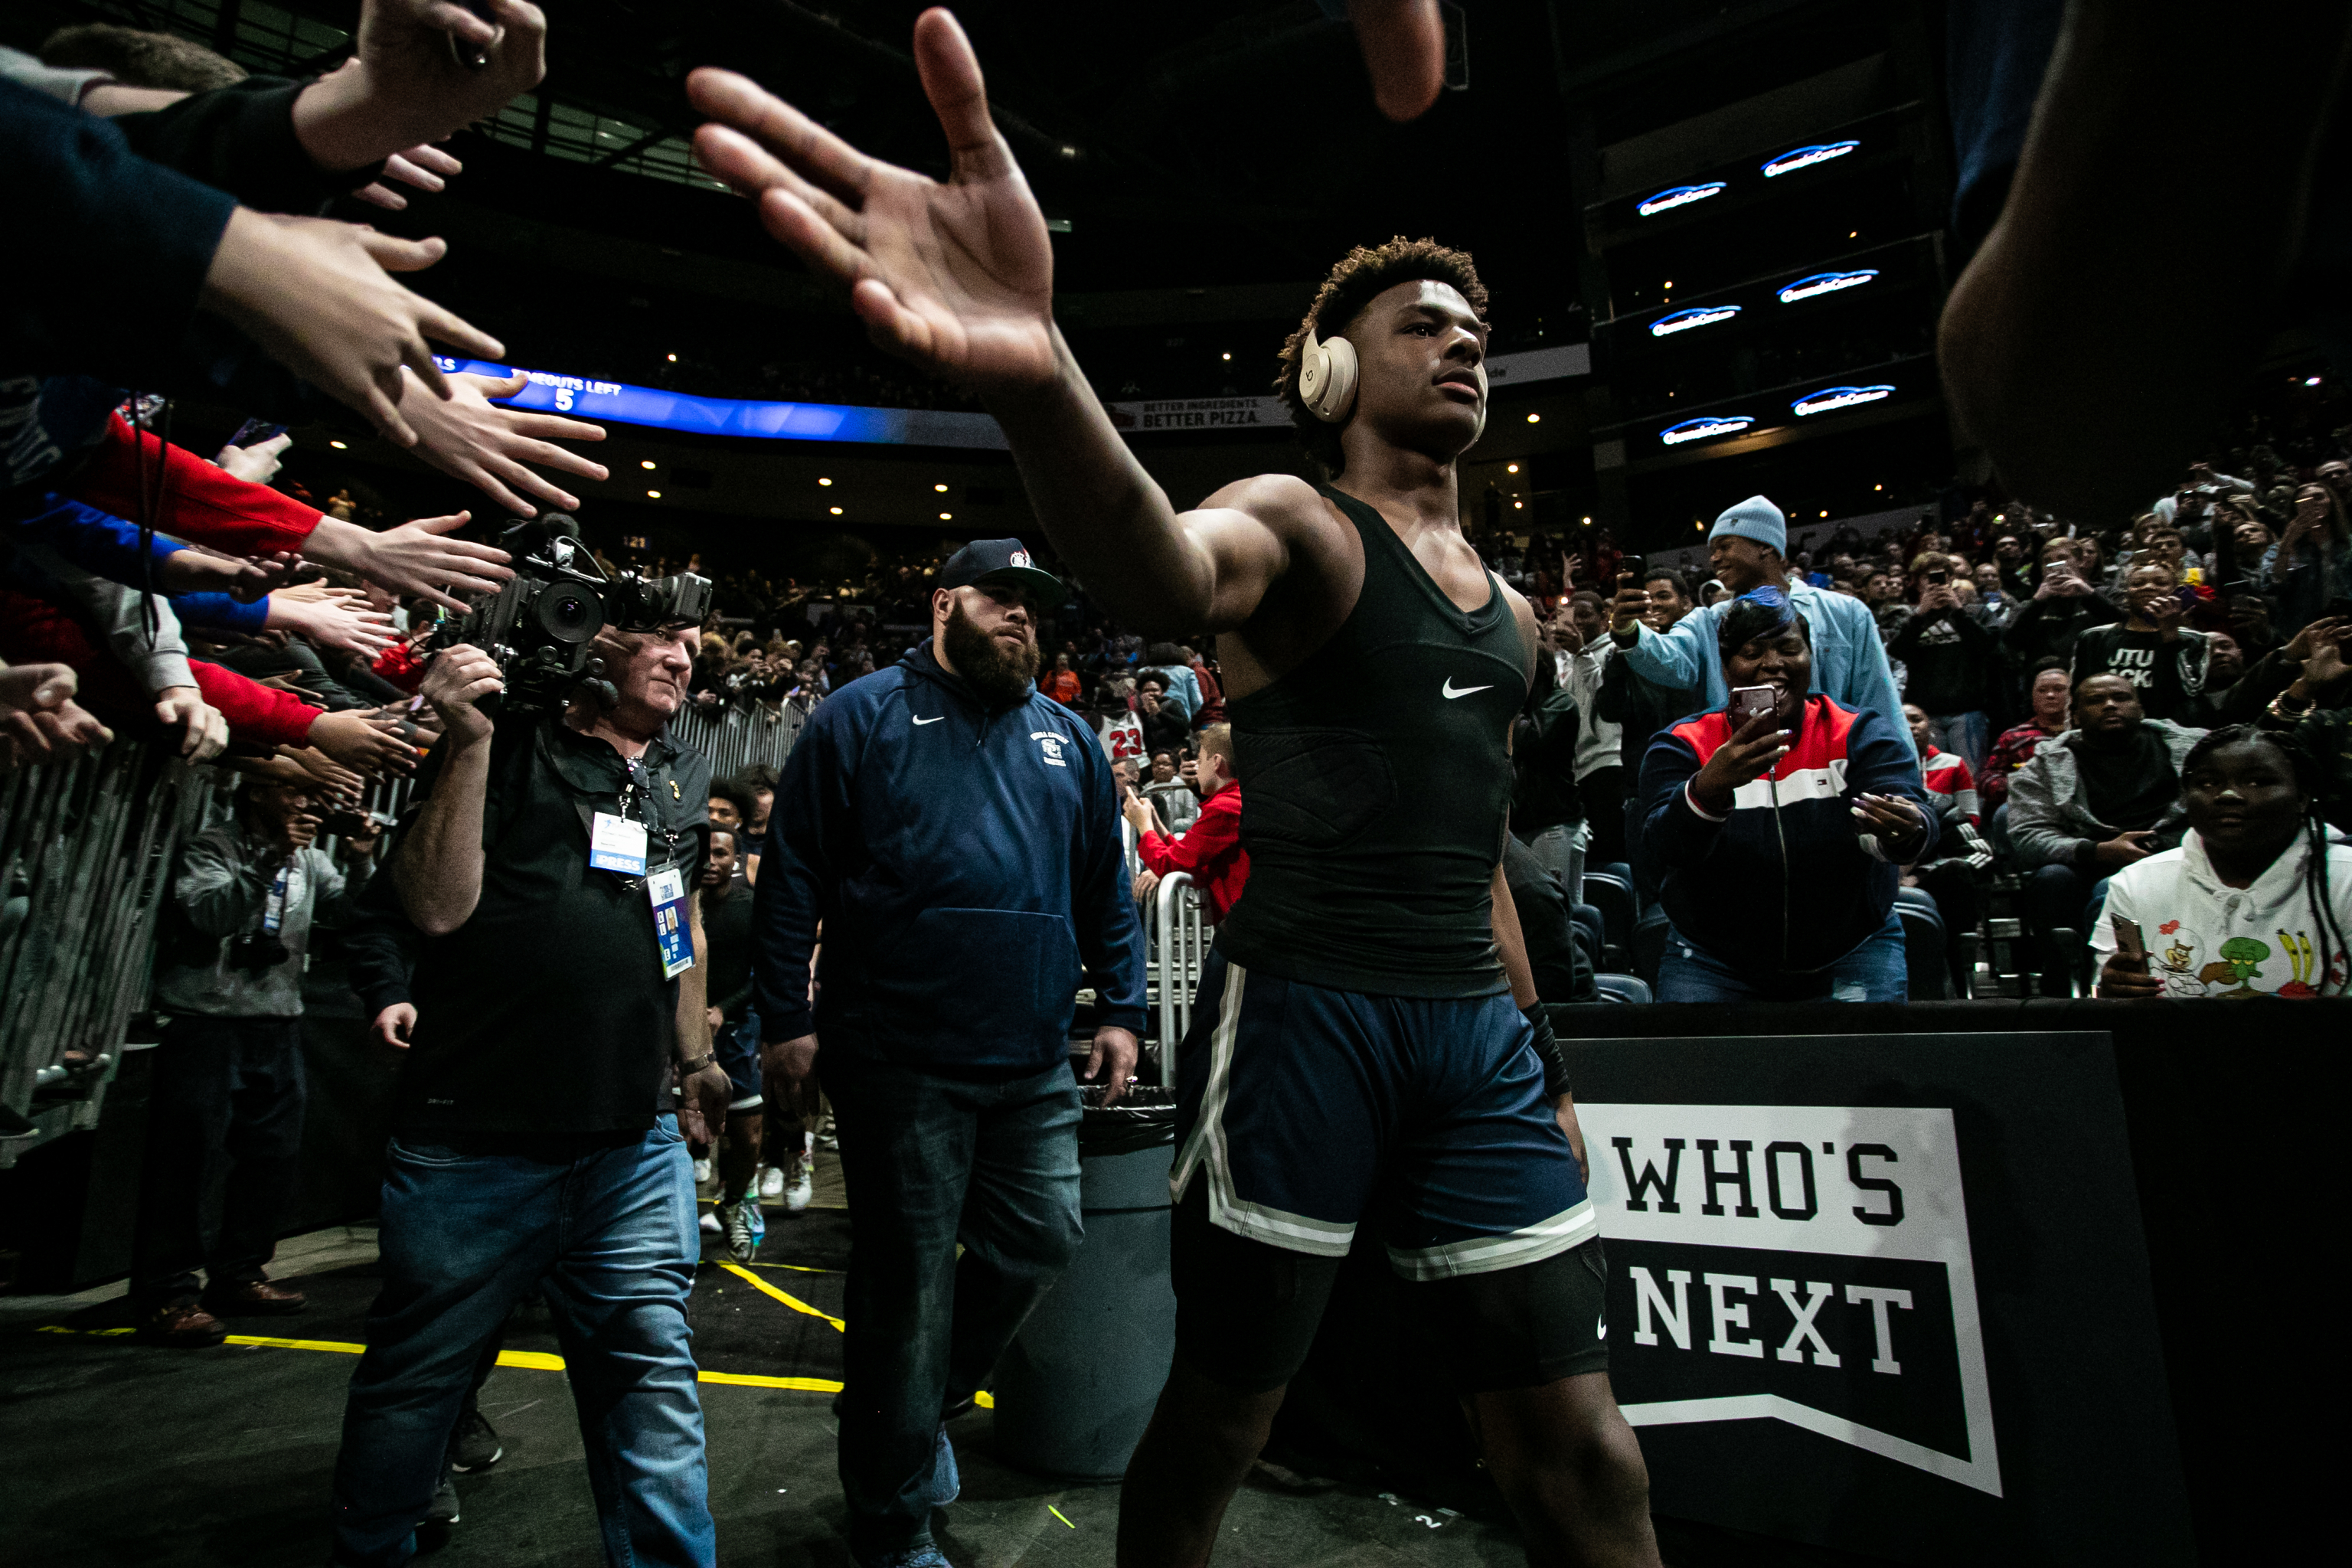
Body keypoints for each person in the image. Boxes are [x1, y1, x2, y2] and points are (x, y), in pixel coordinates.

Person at [697, 34, 1656, 1566]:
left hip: (1474, 1038)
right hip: (1303, 1025)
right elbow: (1153, 566)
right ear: (1333, 373)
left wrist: (1536, 1053)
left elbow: (1475, 854)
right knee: (1220, 1420)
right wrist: (1042, 371)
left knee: (1587, 1451)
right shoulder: (1297, 523)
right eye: (1425, 326)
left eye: (1478, 327)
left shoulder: (1521, 618)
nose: (1467, 344)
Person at [750, 538, 1145, 1568]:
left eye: (1034, 604)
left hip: (1032, 1058)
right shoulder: (859, 715)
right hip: (898, 1058)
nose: (1021, 616)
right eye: (999, 598)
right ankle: (891, 1513)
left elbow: (1107, 885)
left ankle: (906, 1421)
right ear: (941, 605)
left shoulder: (1066, 736)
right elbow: (790, 876)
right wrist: (784, 1023)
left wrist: (1124, 1011)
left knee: (1041, 1243)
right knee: (908, 1287)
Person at [330, 610, 727, 1568]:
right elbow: (431, 906)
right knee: (417, 1383)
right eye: (660, 637)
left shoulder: (673, 776)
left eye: (694, 645)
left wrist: (694, 1063)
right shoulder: (502, 745)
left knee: (654, 1386)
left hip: (631, 1143)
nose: (684, 657)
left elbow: (678, 932)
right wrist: (468, 742)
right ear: (596, 645)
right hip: (476, 1140)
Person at [132, 776, 371, 1346]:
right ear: (257, 793)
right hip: (205, 1022)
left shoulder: (311, 858)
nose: (309, 800)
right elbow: (211, 916)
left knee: (272, 1156)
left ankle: (239, 1274)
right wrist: (270, 858)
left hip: (278, 1020)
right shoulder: (213, 846)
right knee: (186, 1161)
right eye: (295, 790)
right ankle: (167, 1294)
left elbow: (351, 917)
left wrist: (361, 863)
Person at [1635, 589, 1932, 1002]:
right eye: (1752, 651)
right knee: (1700, 1069)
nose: (1772, 664)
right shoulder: (1683, 744)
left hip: (1853, 949)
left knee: (1867, 1067)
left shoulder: (1859, 732)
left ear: (1811, 656)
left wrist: (1907, 828)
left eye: (1788, 647)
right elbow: (1660, 849)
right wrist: (1708, 789)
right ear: (1726, 668)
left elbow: (1914, 813)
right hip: (1712, 960)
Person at [1607, 495, 1916, 759]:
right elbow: (1670, 660)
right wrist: (1628, 630)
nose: (1714, 559)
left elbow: (1880, 701)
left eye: (1724, 546)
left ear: (1765, 547)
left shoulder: (1844, 613)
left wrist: (1902, 783)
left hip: (1837, 765)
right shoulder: (1709, 621)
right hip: (1746, 773)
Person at [2094, 727, 2352, 998]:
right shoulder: (2135, 882)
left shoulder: (2345, 877)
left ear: (2301, 798)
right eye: (2208, 783)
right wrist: (2112, 988)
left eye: (2257, 782)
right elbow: (2109, 999)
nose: (2227, 795)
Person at [2004, 673, 2204, 985]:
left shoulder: (2195, 751)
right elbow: (2028, 836)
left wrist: (2157, 848)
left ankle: (2119, 984)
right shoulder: (2044, 766)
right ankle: (2064, 985)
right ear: (2076, 715)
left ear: (2140, 708)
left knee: (2109, 889)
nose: (2110, 705)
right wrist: (2097, 851)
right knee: (2052, 880)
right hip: (2091, 861)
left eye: (2121, 698)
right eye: (2096, 701)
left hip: (2177, 855)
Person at [699, 825, 779, 1259]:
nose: (711, 861)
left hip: (734, 1035)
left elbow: (764, 970)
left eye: (721, 854)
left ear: (735, 861)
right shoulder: (672, 901)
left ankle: (733, 1204)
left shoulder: (750, 908)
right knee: (676, 1136)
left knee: (746, 1138)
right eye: (704, 852)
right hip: (678, 1036)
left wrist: (722, 1010)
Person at [1126, 723, 1249, 924]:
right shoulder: (1235, 800)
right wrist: (1155, 823)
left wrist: (1143, 825)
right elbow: (1185, 855)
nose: (1196, 768)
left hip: (1242, 926)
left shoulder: (1225, 807)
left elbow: (1169, 865)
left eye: (1201, 760)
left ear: (1216, 762)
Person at [2070, 562, 2215, 724]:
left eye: (2160, 583)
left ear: (2176, 592)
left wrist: (2170, 635)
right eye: (2138, 583)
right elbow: (2077, 695)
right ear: (2126, 592)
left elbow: (2189, 693)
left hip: (2167, 732)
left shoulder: (2195, 640)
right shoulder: (2092, 637)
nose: (2148, 587)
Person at [1889, 564, 1998, 778]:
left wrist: (1958, 611)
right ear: (1918, 583)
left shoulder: (1976, 612)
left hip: (1967, 710)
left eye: (1940, 576)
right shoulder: (1911, 617)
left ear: (1950, 579)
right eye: (1926, 577)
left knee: (1971, 780)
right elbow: (1896, 650)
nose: (1935, 583)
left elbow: (1987, 645)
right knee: (1930, 781)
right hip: (1926, 714)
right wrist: (1920, 614)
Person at [1982, 658, 2071, 812]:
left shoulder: (2085, 733)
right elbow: (1987, 779)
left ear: (2073, 694)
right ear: (2033, 698)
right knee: (2003, 814)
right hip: (2028, 805)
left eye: (2059, 689)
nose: (2050, 695)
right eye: (2042, 690)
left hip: (2078, 803)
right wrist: (2018, 783)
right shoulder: (2014, 737)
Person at [1905, 703, 1981, 825]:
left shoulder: (1954, 764)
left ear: (1929, 725)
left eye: (1916, 720)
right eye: (1903, 721)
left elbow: (1971, 817)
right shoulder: (1886, 767)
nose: (1910, 726)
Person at [1142, 748, 1200, 833]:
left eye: (1165, 764)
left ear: (1175, 769)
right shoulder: (1147, 789)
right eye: (1156, 765)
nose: (1160, 767)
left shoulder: (1184, 787)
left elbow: (1192, 819)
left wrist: (1167, 825)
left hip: (1179, 833)